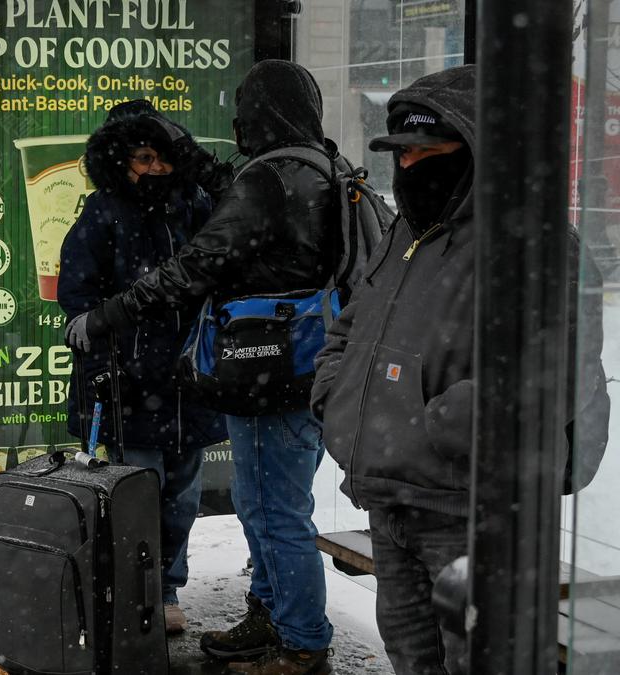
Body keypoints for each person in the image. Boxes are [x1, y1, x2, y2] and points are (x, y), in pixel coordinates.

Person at [311, 64, 610, 675]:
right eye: (403, 153)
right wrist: (334, 391)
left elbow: (553, 375)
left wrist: (436, 427)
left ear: (478, 153)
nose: (412, 166)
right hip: (391, 503)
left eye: (429, 151)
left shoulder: (533, 243)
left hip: (470, 515)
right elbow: (352, 327)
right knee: (412, 659)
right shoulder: (408, 233)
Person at [67, 60, 340, 674]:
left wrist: (113, 313)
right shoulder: (319, 166)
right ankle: (271, 617)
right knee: (262, 505)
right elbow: (240, 204)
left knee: (273, 512)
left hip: (265, 369)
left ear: (259, 112)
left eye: (245, 106)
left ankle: (299, 641)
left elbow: (199, 262)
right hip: (289, 364)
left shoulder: (272, 176)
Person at [58, 100, 229, 635]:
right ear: (119, 160)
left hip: (190, 382)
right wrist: (119, 329)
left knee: (182, 497)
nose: (156, 169)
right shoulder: (101, 213)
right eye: (144, 157)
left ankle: (168, 588)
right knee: (138, 493)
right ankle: (139, 591)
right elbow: (76, 296)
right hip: (131, 384)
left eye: (164, 157)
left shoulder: (197, 204)